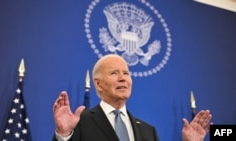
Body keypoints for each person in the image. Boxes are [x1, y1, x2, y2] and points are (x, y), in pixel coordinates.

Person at [52, 54, 212, 141]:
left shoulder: (149, 131)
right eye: (114, 73)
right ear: (98, 84)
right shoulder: (81, 122)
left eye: (126, 73)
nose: (123, 78)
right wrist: (63, 135)